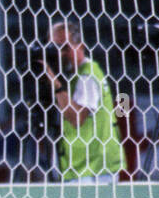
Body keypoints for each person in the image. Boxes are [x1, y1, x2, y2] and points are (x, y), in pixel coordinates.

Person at [41, 19, 125, 183]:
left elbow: (77, 118)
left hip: (94, 170)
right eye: (54, 48)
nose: (60, 54)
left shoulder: (87, 75)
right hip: (83, 168)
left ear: (80, 46)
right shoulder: (73, 76)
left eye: (65, 47)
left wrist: (55, 84)